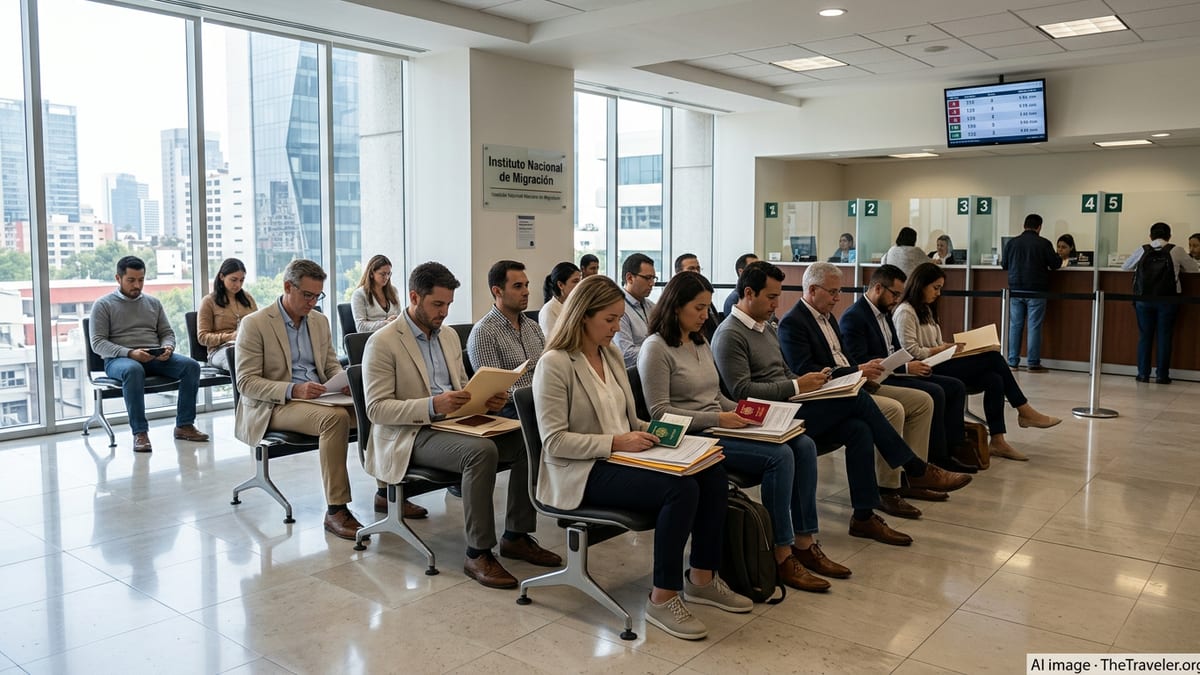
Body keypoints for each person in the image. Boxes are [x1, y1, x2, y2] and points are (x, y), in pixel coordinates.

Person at [534, 274, 752, 640]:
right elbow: (554, 442)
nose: (617, 327)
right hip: (581, 471)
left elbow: (629, 417)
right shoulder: (555, 363)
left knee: (711, 470)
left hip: (619, 456)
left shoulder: (611, 353)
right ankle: (662, 597)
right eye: (609, 320)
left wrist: (664, 436)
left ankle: (701, 577)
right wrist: (617, 442)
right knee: (679, 491)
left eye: (620, 318)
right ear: (582, 316)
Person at [712, 261, 970, 547]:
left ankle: (863, 516)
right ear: (749, 293)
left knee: (858, 428)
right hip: (770, 416)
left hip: (792, 402)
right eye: (772, 297)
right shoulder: (729, 334)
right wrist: (799, 385)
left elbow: (785, 372)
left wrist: (810, 382)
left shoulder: (765, 327)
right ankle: (914, 467)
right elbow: (743, 392)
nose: (777, 303)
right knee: (856, 400)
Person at [639, 272, 850, 593]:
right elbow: (660, 413)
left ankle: (804, 542)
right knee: (779, 457)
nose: (704, 316)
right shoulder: (656, 348)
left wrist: (746, 413)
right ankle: (781, 552)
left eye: (707, 308)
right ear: (675, 306)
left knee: (803, 444)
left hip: (720, 422)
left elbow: (718, 394)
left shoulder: (698, 341)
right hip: (694, 436)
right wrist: (720, 417)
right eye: (697, 308)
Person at [363, 261, 560, 588]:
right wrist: (431, 405)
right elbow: (377, 409)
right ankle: (477, 552)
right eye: (437, 304)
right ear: (414, 297)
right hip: (411, 433)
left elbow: (465, 386)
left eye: (448, 304)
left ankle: (516, 535)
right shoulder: (384, 342)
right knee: (480, 452)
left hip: (454, 422)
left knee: (529, 439)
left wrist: (486, 398)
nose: (444, 312)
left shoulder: (449, 336)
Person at [778, 262, 940, 520]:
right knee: (892, 410)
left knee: (922, 400)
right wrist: (856, 372)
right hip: (826, 393)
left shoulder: (828, 316)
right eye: (832, 292)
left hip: (851, 383)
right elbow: (804, 369)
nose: (837, 298)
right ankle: (896, 481)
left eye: (838, 291)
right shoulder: (792, 322)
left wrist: (860, 371)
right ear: (811, 290)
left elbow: (843, 356)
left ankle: (909, 478)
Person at [234, 259, 363, 539]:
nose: (313, 301)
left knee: (374, 409)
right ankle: (336, 510)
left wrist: (343, 383)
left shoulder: (318, 321)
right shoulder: (255, 324)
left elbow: (330, 366)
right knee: (335, 419)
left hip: (318, 397)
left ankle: (387, 492)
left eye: (318, 295)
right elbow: (246, 382)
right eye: (307, 295)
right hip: (275, 405)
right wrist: (293, 389)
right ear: (287, 287)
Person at [893, 263, 1062, 462]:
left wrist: (950, 346)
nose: (938, 293)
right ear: (920, 285)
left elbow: (936, 343)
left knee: (994, 379)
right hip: (924, 368)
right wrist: (942, 349)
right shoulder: (906, 312)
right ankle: (1023, 409)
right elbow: (910, 351)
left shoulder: (926, 310)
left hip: (938, 361)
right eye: (935, 288)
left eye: (940, 288)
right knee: (993, 358)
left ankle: (998, 440)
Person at [840, 265, 977, 474]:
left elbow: (895, 349)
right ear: (878, 288)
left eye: (899, 294)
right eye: (894, 294)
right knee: (935, 392)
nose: (897, 299)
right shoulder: (855, 317)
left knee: (953, 386)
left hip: (894, 372)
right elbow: (861, 362)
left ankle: (948, 450)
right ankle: (935, 459)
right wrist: (906, 366)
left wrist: (907, 364)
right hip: (878, 379)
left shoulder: (884, 313)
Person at [89, 255, 208, 453]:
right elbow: (98, 343)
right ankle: (140, 433)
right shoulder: (103, 305)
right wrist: (130, 353)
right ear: (118, 279)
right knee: (134, 370)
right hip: (120, 360)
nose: (137, 285)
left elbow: (167, 333)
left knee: (191, 366)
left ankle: (184, 425)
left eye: (141, 280)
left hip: (153, 355)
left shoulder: (153, 303)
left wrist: (167, 347)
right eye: (131, 280)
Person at [1121, 222, 1199, 383]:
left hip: (1144, 299)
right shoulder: (1176, 250)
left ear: (1150, 236)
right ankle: (1162, 376)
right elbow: (1194, 269)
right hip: (1168, 300)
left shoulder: (1142, 249)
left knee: (1145, 336)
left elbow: (1125, 267)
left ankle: (1143, 374)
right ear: (1169, 236)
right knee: (1164, 336)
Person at [467, 260, 545, 419]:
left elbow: (547, 369)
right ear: (497, 291)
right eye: (518, 286)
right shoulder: (484, 331)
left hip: (543, 398)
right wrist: (536, 391)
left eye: (526, 285)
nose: (526, 292)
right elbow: (493, 392)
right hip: (513, 407)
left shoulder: (533, 326)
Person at [1001, 213, 1062, 372]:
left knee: (1015, 326)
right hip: (1036, 290)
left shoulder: (1012, 243)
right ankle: (1033, 363)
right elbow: (1055, 264)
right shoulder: (1044, 243)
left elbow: (1004, 264)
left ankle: (1013, 362)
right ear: (1039, 227)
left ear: (1024, 225)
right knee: (1034, 326)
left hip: (1015, 289)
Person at [197, 257, 257, 372]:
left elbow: (257, 325)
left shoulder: (247, 298)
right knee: (239, 361)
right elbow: (202, 337)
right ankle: (245, 389)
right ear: (222, 277)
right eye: (233, 280)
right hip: (220, 350)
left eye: (241, 280)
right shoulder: (209, 301)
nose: (238, 285)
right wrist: (230, 336)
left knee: (271, 359)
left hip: (246, 347)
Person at [614, 252, 657, 368]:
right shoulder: (618, 308)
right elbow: (626, 354)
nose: (652, 283)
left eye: (653, 278)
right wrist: (659, 352)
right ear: (629, 278)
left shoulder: (652, 307)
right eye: (647, 278)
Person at [350, 254, 401, 332]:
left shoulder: (393, 291)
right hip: (371, 339)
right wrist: (386, 323)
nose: (386, 277)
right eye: (383, 274)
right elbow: (360, 327)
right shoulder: (359, 294)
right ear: (371, 274)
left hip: (392, 336)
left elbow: (399, 317)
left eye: (388, 274)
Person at [539, 261, 581, 338]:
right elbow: (551, 344)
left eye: (580, 281)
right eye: (575, 281)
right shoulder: (549, 310)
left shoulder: (575, 305)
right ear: (561, 285)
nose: (580, 285)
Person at [722, 253, 759, 317]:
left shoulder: (759, 293)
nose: (759, 272)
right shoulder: (734, 300)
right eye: (754, 268)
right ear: (741, 272)